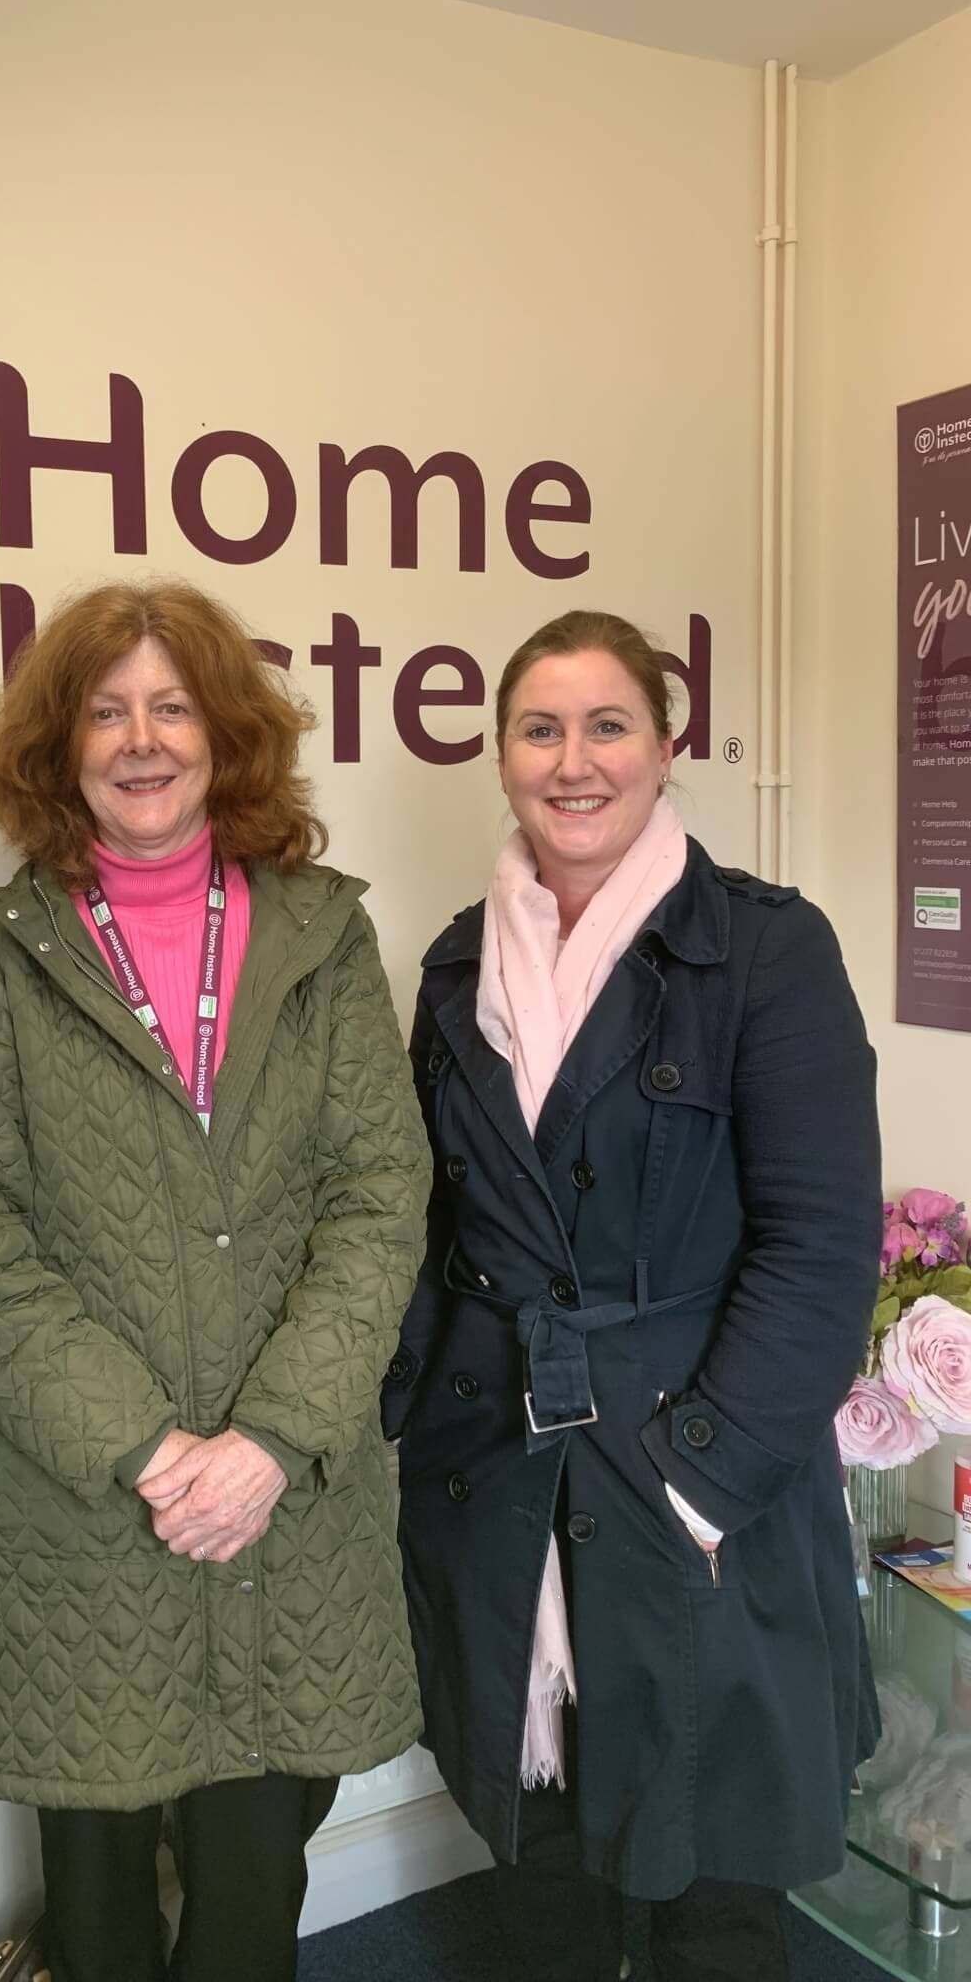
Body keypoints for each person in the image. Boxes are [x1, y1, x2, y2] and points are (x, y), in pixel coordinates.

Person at [0, 578, 426, 1982]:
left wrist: (266, 1439)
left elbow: (381, 1199)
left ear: (228, 735)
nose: (142, 739)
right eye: (106, 710)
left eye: (174, 705)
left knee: (255, 1900)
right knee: (97, 1917)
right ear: (61, 747)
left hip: (287, 1505)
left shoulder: (325, 934)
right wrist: (150, 1449)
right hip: (84, 1516)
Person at [384, 609, 880, 1982]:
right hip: (502, 1477)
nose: (574, 759)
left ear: (667, 746)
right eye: (540, 728)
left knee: (717, 1878)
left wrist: (700, 1479)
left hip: (694, 1468)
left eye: (609, 724)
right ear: (501, 756)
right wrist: (405, 1423)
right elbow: (431, 1228)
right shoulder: (452, 969)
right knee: (540, 1861)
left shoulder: (767, 954)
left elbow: (820, 1248)